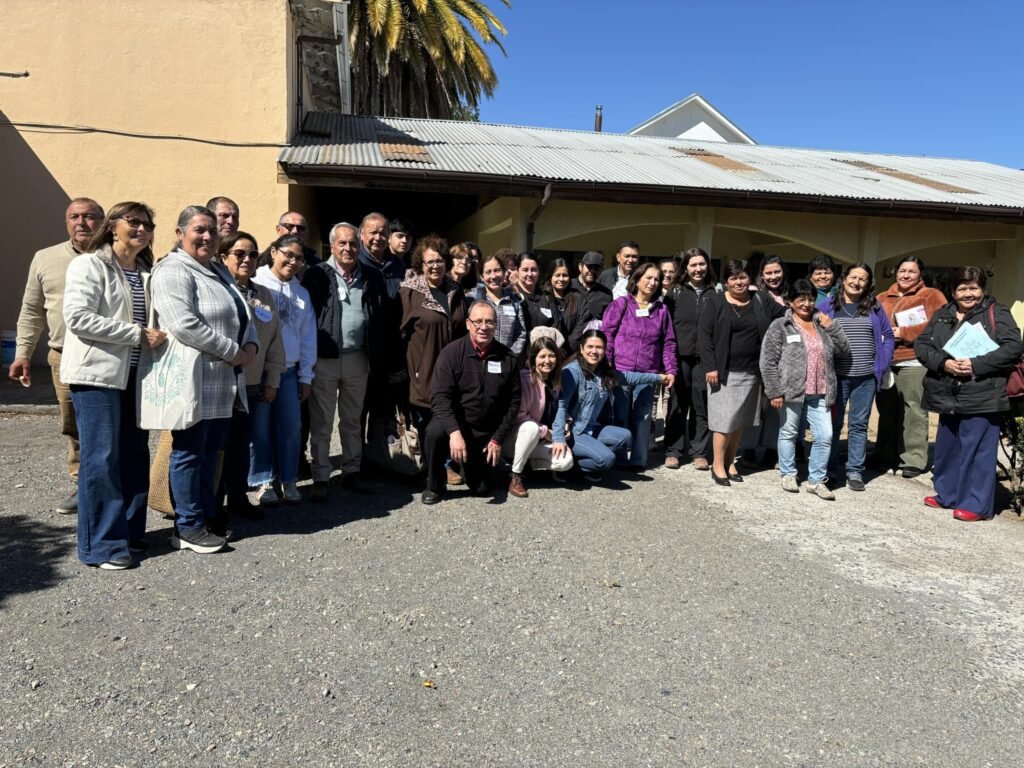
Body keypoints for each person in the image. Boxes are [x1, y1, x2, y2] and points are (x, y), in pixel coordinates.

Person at [62, 201, 165, 569]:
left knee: (135, 456)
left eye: (147, 225)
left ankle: (130, 534)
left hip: (137, 377)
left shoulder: (147, 272)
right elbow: (78, 318)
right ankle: (102, 545)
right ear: (112, 226)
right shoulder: (89, 265)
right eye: (133, 222)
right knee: (101, 459)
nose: (141, 229)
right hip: (97, 377)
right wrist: (136, 334)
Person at [151, 205, 258, 554]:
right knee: (189, 453)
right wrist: (233, 351)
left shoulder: (216, 269)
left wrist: (251, 343)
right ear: (180, 233)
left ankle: (207, 514)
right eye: (199, 229)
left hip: (223, 381)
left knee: (212, 453)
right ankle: (187, 526)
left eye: (212, 230)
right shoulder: (172, 269)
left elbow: (243, 311)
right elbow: (183, 324)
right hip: (194, 379)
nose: (208, 236)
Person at [10, 197, 104, 514]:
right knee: (74, 424)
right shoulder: (45, 258)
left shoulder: (116, 257)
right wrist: (23, 353)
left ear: (102, 221)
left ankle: (111, 483)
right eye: (74, 216)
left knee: (113, 424)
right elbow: (31, 310)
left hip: (110, 356)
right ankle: (83, 485)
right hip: (64, 356)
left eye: (89, 216)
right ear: (66, 222)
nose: (81, 222)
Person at [915, 267, 1022, 521]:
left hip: (983, 392)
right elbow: (922, 344)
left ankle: (976, 505)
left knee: (978, 451)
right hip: (948, 391)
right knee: (947, 448)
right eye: (962, 289)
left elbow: (1013, 348)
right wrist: (943, 364)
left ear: (982, 290)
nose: (968, 294)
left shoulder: (997, 312)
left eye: (973, 288)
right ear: (953, 291)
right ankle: (948, 494)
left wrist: (976, 364)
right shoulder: (943, 313)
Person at [303, 221, 394, 500]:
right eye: (342, 243)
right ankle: (321, 475)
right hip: (325, 358)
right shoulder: (317, 274)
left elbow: (380, 314)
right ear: (332, 246)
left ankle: (352, 471)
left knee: (352, 419)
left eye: (353, 243)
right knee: (322, 421)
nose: (348, 248)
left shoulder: (371, 275)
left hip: (358, 357)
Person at [421, 301, 522, 505]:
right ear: (468, 324)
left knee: (483, 489)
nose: (484, 327)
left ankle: (462, 465)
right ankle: (434, 485)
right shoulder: (451, 353)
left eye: (489, 322)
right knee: (433, 432)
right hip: (456, 424)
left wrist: (497, 439)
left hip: (484, 431)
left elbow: (514, 403)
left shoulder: (508, 358)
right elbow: (439, 398)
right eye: (478, 321)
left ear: (496, 325)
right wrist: (454, 432)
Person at [760, 279, 849, 499]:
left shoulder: (823, 323)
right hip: (791, 391)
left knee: (825, 435)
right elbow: (768, 361)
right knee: (789, 432)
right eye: (801, 299)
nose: (806, 304)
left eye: (810, 299)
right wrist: (774, 391)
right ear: (790, 302)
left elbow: (844, 351)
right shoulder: (780, 325)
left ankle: (816, 480)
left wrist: (832, 327)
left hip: (821, 391)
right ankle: (788, 473)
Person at [698, 260, 785, 486]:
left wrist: (815, 314)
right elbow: (704, 336)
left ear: (750, 279)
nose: (739, 282)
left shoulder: (760, 299)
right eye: (733, 278)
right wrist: (710, 366)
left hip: (752, 372)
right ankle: (718, 465)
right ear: (726, 281)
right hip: (724, 373)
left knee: (739, 421)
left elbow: (786, 312)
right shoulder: (715, 301)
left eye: (743, 277)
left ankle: (730, 462)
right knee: (723, 421)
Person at [217, 231, 284, 524]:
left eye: (253, 254)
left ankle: (238, 499)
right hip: (220, 383)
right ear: (223, 257)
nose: (247, 259)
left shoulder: (264, 295)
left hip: (252, 383)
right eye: (239, 254)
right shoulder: (217, 290)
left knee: (242, 444)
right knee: (218, 447)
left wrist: (272, 380)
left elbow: (275, 341)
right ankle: (213, 504)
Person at [817, 262, 895, 491]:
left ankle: (855, 471)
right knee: (833, 424)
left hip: (866, 378)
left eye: (862, 279)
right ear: (844, 279)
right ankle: (830, 469)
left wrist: (882, 361)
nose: (856, 282)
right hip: (837, 377)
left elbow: (888, 336)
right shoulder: (827, 305)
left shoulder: (874, 307)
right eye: (853, 277)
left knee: (859, 425)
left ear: (868, 284)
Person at [551, 330, 667, 482]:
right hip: (573, 432)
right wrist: (558, 437)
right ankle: (566, 467)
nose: (594, 351)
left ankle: (588, 462)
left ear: (605, 350)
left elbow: (630, 377)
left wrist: (659, 377)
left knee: (625, 437)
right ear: (581, 348)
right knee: (607, 459)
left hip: (591, 429)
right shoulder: (571, 372)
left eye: (599, 347)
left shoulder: (603, 372)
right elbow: (561, 406)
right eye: (590, 347)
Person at [252, 234, 317, 505]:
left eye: (299, 258)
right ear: (274, 252)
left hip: (289, 371)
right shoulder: (256, 283)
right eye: (288, 254)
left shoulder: (301, 293)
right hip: (259, 370)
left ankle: (288, 479)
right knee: (260, 429)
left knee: (291, 427)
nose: (293, 261)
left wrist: (306, 375)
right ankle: (262, 480)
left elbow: (308, 337)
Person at [874, 256, 947, 478]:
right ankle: (884, 455)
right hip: (886, 361)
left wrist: (904, 332)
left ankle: (913, 459)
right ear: (895, 273)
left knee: (913, 409)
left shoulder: (931, 295)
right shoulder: (882, 297)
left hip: (913, 360)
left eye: (911, 271)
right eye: (902, 271)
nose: (906, 275)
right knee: (887, 410)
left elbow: (940, 324)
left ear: (920, 274)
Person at [602, 262, 678, 469]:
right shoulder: (621, 304)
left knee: (643, 418)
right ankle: (617, 459)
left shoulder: (661, 310)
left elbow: (668, 342)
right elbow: (607, 335)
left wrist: (671, 369)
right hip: (621, 370)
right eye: (648, 278)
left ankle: (638, 461)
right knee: (619, 416)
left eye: (656, 279)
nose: (653, 283)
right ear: (637, 279)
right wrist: (607, 364)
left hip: (648, 372)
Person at [400, 235, 469, 432]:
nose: (435, 266)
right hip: (424, 377)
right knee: (427, 432)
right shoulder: (409, 293)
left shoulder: (456, 291)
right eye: (430, 261)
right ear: (421, 265)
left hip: (453, 375)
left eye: (439, 260)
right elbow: (400, 335)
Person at [663, 248, 720, 470]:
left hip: (705, 359)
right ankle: (673, 450)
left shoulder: (716, 292)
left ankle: (699, 452)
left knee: (701, 405)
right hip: (679, 357)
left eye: (702, 264)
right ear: (685, 268)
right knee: (677, 404)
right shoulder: (675, 293)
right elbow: (666, 326)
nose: (698, 269)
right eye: (693, 265)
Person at [358, 212, 407, 448]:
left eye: (383, 232)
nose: (378, 237)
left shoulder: (397, 265)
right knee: (358, 408)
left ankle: (378, 454)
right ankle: (356, 458)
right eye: (373, 232)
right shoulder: (355, 261)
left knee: (384, 406)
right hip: (362, 349)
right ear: (361, 234)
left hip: (391, 349)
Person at [503, 335, 574, 497]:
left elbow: (559, 408)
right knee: (531, 428)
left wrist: (565, 423)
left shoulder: (556, 379)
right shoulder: (525, 379)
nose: (547, 361)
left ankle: (526, 462)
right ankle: (516, 475)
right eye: (542, 356)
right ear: (533, 359)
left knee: (566, 461)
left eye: (552, 356)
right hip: (516, 437)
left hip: (539, 440)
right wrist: (546, 432)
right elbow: (519, 416)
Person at [742, 255, 791, 466]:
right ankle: (749, 448)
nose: (773, 277)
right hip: (759, 359)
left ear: (783, 272)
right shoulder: (755, 295)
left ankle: (772, 449)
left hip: (785, 361)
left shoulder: (791, 295)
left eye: (777, 272)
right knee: (755, 406)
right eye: (768, 273)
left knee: (776, 408)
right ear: (761, 275)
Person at [473, 253, 527, 355]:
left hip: (507, 359)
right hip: (480, 359)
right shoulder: (474, 299)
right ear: (481, 277)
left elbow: (520, 333)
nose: (493, 276)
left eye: (497, 270)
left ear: (504, 272)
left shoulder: (513, 301)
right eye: (488, 272)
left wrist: (511, 356)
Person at [569, 251, 613, 345]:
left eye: (596, 268)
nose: (592, 271)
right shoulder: (568, 287)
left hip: (592, 348)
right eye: (589, 267)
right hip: (567, 345)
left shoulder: (606, 294)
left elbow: (608, 324)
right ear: (580, 267)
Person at [514, 252, 563, 334]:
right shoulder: (511, 296)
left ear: (538, 271)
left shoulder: (547, 297)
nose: (530, 274)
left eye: (534, 270)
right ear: (517, 271)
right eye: (525, 270)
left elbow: (556, 327)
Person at [544, 258, 584, 349]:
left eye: (565, 275)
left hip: (571, 350)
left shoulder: (579, 299)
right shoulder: (543, 298)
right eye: (557, 275)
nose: (561, 279)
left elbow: (581, 325)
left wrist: (567, 347)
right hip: (548, 350)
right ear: (550, 277)